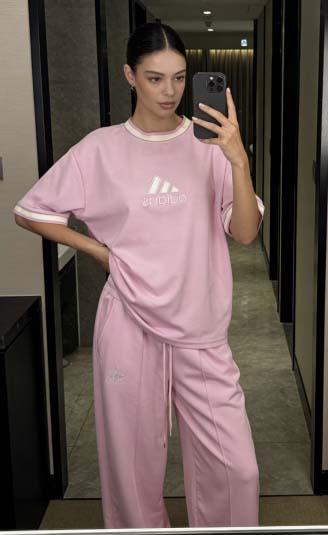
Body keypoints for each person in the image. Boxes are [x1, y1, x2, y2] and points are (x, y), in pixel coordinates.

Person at [13, 21, 265, 529]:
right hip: (128, 320)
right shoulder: (100, 149)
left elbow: (244, 233)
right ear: (130, 76)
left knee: (236, 469)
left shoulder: (211, 147)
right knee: (131, 468)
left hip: (200, 326)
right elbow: (30, 210)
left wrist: (238, 161)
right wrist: (97, 250)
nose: (169, 91)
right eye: (154, 78)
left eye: (179, 78)